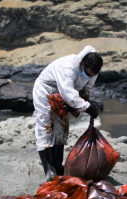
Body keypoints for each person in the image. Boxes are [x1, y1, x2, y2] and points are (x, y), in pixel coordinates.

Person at [33, 45, 103, 181]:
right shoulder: (67, 67)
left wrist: (86, 99)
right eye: (87, 73)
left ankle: (58, 165)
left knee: (61, 127)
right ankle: (49, 169)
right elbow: (68, 94)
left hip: (62, 93)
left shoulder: (92, 71)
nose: (89, 76)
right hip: (46, 89)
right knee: (45, 126)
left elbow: (87, 88)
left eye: (92, 75)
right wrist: (87, 107)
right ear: (81, 64)